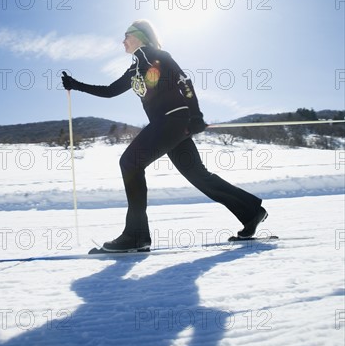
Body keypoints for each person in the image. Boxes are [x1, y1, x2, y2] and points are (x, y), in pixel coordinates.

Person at [62, 20, 268, 252]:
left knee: (130, 163)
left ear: (139, 36)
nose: (122, 41)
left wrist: (196, 115)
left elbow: (184, 82)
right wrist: (76, 85)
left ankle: (136, 235)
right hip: (167, 125)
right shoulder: (135, 68)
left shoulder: (157, 56)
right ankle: (251, 212)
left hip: (172, 120)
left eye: (126, 36)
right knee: (198, 175)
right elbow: (110, 91)